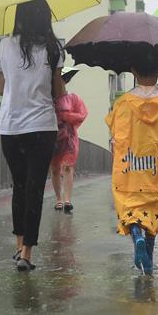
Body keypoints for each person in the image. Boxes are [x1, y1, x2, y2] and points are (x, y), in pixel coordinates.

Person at [0, 0, 65, 272]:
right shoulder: (53, 48)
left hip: (11, 128)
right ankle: (27, 253)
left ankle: (19, 242)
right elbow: (58, 92)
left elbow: (1, 89)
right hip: (42, 127)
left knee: (19, 187)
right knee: (35, 189)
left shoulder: (5, 45)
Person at [105, 60, 158, 274]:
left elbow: (113, 129)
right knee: (153, 209)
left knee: (131, 209)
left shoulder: (123, 103)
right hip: (154, 172)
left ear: (133, 71)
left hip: (130, 172)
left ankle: (136, 235)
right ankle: (150, 259)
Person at [51, 69, 88, 213]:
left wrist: (66, 116)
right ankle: (58, 199)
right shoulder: (47, 99)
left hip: (69, 139)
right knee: (54, 169)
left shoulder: (73, 98)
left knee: (68, 167)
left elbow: (82, 114)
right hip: (52, 138)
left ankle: (67, 200)